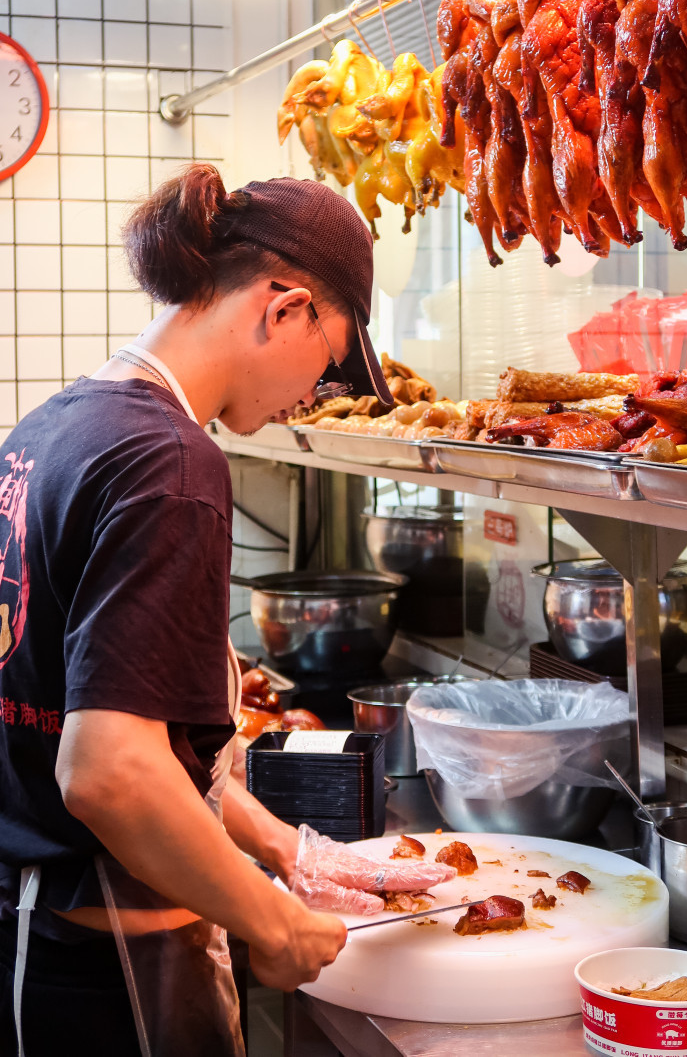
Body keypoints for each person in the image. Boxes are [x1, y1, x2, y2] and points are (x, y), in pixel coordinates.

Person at [0, 165, 414, 1056]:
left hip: (35, 934)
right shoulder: (172, 463)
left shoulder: (56, 426)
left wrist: (285, 846)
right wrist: (274, 917)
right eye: (333, 358)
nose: (318, 391)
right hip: (108, 978)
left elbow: (138, 732)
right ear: (285, 306)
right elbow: (110, 772)